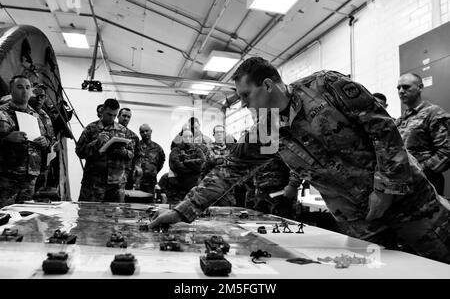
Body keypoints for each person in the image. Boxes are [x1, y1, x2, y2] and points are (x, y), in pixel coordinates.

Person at [150, 57, 450, 264]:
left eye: (246, 95)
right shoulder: (266, 130)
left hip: (409, 203)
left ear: (267, 85)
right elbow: (229, 171)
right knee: (389, 273)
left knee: (442, 263)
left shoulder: (326, 87)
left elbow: (383, 130)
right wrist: (182, 211)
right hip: (361, 222)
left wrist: (385, 189)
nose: (243, 104)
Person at [395, 73, 450, 196]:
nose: (401, 91)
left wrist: (419, 171)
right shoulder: (400, 120)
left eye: (406, 87)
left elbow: (446, 151)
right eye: (398, 88)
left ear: (420, 87)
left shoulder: (434, 113)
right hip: (404, 185)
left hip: (426, 185)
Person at [0, 76, 51, 207]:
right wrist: (7, 139)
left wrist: (45, 142)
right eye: (20, 87)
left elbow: (49, 142)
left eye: (28, 88)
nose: (24, 91)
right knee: (4, 217)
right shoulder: (2, 113)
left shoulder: (38, 116)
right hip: (6, 177)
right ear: (11, 90)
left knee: (25, 219)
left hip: (30, 179)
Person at [76, 98, 134, 202]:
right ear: (102, 111)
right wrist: (96, 142)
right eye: (109, 114)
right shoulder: (91, 129)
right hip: (93, 184)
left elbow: (131, 154)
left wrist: (122, 152)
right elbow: (80, 152)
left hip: (116, 185)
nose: (112, 118)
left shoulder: (123, 130)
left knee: (113, 217)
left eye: (115, 115)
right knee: (88, 215)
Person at [159, 129, 205, 203]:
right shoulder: (175, 150)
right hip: (179, 188)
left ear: (192, 138)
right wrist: (193, 169)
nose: (188, 138)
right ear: (182, 138)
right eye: (185, 136)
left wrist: (185, 162)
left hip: (193, 188)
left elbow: (201, 165)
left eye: (190, 136)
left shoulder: (198, 150)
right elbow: (175, 166)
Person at [28, 83, 57, 193]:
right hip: (22, 169)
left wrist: (51, 144)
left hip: (42, 167)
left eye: (43, 97)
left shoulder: (45, 116)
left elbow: (51, 138)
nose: (40, 100)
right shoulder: (21, 111)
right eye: (37, 96)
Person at [117, 108, 142, 192]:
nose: (126, 118)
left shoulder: (134, 137)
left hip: (126, 177)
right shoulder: (109, 131)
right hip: (110, 175)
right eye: (124, 116)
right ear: (118, 116)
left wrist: (137, 168)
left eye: (128, 117)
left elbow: (138, 156)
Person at [137, 124, 165, 193]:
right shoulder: (136, 146)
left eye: (147, 131)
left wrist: (152, 172)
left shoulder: (158, 148)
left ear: (151, 131)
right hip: (137, 182)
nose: (145, 133)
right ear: (140, 133)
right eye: (142, 132)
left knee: (150, 202)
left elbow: (160, 164)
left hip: (151, 183)